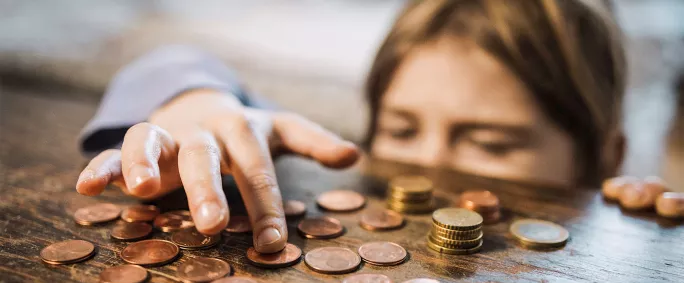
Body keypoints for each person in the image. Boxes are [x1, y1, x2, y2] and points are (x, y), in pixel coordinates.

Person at [75, 0, 626, 253]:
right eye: (402, 130)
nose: (426, 164)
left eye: (490, 142)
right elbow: (169, 61)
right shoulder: (339, 153)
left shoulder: (628, 203)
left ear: (604, 159)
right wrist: (197, 101)